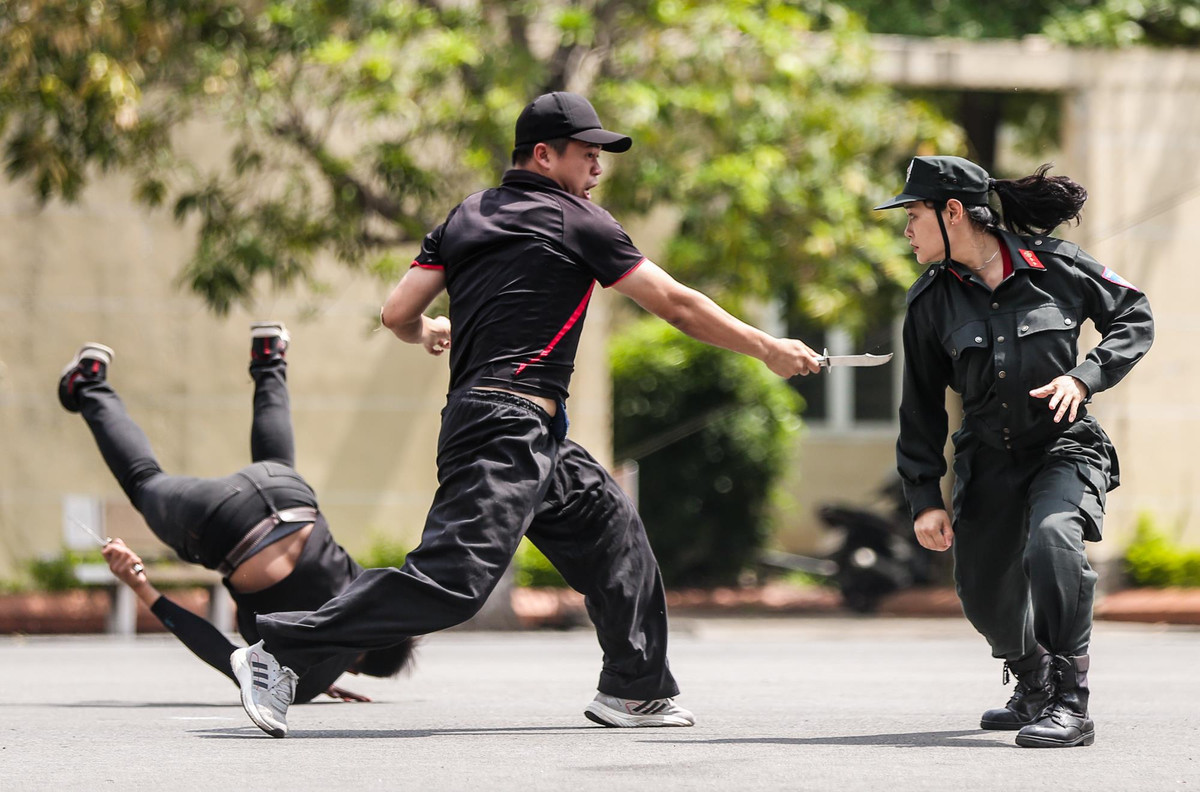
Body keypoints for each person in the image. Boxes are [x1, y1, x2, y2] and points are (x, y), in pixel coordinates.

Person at [231, 91, 824, 738]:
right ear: (543, 155)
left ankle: (635, 689)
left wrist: (429, 330)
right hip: (506, 427)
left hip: (515, 428)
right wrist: (767, 347)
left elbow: (397, 313)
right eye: (587, 154)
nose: (598, 168)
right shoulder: (579, 220)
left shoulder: (465, 215)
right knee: (453, 581)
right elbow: (676, 306)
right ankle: (279, 651)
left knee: (614, 530)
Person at [876, 156, 1153, 748]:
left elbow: (1134, 316)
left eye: (914, 215)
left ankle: (1070, 703)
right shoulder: (930, 301)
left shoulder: (1057, 266)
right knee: (981, 592)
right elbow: (920, 407)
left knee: (1053, 541)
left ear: (953, 212)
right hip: (987, 457)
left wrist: (1084, 376)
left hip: (1064, 446)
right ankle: (1032, 677)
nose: (906, 229)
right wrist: (924, 498)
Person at [56, 323, 417, 705]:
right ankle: (88, 382)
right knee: (143, 480)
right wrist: (140, 585)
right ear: (357, 669)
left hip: (288, 492)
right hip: (226, 526)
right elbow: (223, 655)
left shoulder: (368, 591)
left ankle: (269, 357)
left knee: (278, 463)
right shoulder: (302, 681)